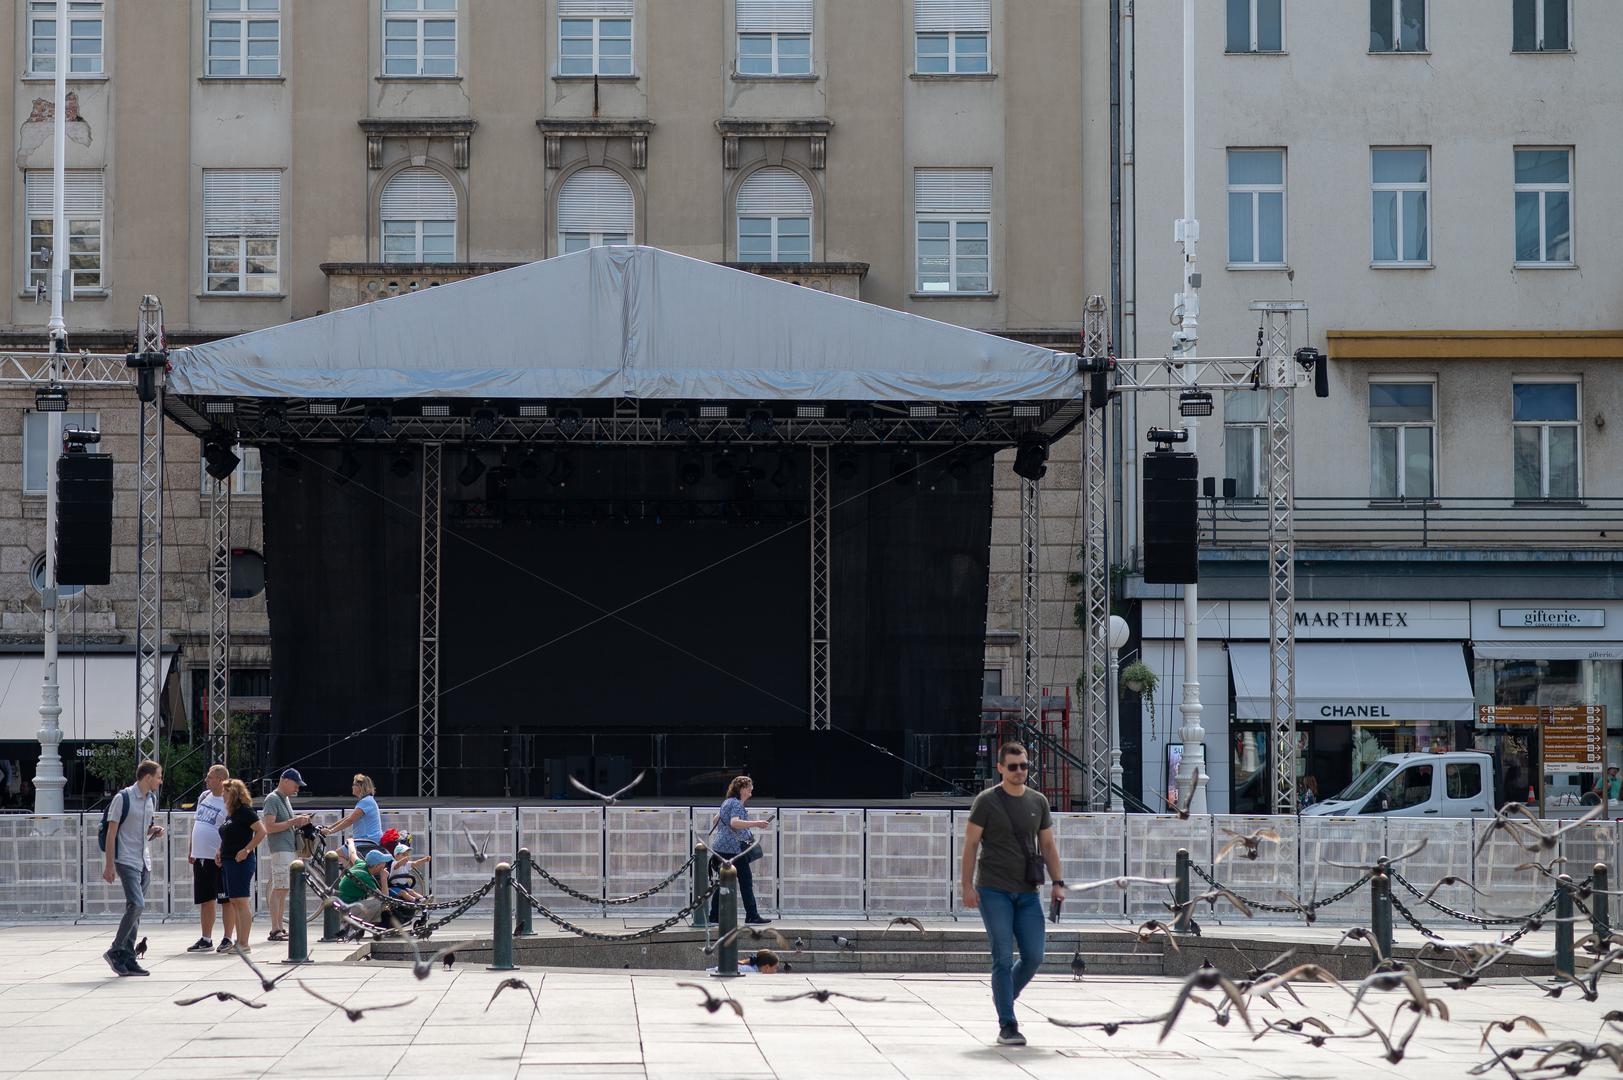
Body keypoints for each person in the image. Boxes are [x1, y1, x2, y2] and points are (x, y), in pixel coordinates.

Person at [960, 742, 1065, 1047]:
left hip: (1027, 891)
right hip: (993, 890)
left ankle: (1004, 994)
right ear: (1001, 768)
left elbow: (1047, 845)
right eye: (1014, 766)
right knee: (1002, 956)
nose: (1020, 772)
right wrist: (966, 886)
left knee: (1034, 956)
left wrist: (1058, 882)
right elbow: (970, 846)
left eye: (1024, 766)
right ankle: (1008, 1022)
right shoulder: (986, 801)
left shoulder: (1038, 801)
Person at [101, 759, 165, 977]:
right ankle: (116, 949)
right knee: (137, 904)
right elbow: (112, 832)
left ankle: (128, 957)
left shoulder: (151, 799)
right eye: (158, 776)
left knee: (136, 910)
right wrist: (109, 864)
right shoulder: (123, 797)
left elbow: (142, 829)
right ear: (147, 777)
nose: (160, 780)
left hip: (143, 859)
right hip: (125, 858)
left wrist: (153, 831)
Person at [708, 775, 772, 926]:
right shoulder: (736, 804)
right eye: (749, 788)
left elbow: (715, 820)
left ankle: (714, 916)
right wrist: (757, 823)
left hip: (720, 847)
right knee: (746, 881)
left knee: (722, 881)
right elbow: (734, 822)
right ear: (742, 789)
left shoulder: (727, 802)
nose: (751, 791)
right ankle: (752, 915)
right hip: (734, 849)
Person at [261, 768, 314, 943]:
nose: (297, 789)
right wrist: (294, 821)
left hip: (289, 848)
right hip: (280, 848)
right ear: (284, 780)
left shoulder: (285, 799)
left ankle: (279, 927)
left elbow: (282, 823)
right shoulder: (272, 799)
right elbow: (268, 826)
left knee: (282, 889)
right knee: (279, 888)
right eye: (295, 785)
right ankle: (275, 928)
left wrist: (300, 820)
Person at [217, 778, 267, 952]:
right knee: (234, 901)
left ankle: (244, 943)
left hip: (241, 862)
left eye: (225, 791)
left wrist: (246, 850)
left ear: (233, 793)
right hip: (228, 861)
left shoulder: (245, 811)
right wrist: (219, 851)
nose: (222, 794)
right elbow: (228, 836)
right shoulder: (231, 813)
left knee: (241, 900)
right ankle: (239, 941)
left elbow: (262, 831)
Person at [187, 765, 231, 953]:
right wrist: (191, 849)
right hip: (201, 856)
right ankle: (206, 938)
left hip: (218, 858)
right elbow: (197, 822)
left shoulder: (229, 800)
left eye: (210, 777)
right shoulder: (204, 796)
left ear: (221, 780)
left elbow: (230, 829)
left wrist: (223, 850)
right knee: (206, 899)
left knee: (225, 899)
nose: (206, 780)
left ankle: (228, 937)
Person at [320, 774, 384, 855]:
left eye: (354, 785)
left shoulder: (366, 802)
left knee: (335, 856)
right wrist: (329, 828)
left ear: (360, 787)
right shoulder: (366, 801)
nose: (352, 787)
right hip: (366, 839)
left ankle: (354, 868)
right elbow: (348, 818)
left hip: (366, 840)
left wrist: (330, 831)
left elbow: (350, 820)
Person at [335, 848, 394, 932]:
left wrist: (350, 841)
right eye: (383, 863)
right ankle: (351, 928)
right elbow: (384, 899)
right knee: (379, 903)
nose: (385, 865)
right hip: (344, 911)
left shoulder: (361, 864)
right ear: (376, 866)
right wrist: (384, 879)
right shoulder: (365, 876)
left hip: (342, 907)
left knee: (375, 902)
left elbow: (353, 854)